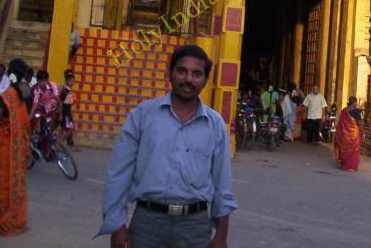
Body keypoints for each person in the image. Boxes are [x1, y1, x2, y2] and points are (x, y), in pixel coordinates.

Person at [98, 45, 237, 248]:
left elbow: (222, 185)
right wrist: (116, 226)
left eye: (197, 74)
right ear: (170, 73)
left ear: (205, 80)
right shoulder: (143, 115)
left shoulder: (215, 124)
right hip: (147, 223)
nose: (188, 79)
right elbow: (118, 174)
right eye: (182, 71)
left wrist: (221, 236)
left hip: (195, 227)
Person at [0, 59, 32, 236]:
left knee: (1, 179)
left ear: (9, 73)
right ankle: (15, 220)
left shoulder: (7, 95)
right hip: (20, 145)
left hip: (6, 145)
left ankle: (0, 222)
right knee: (16, 180)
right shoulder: (27, 92)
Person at [31, 70, 60, 158]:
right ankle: (34, 137)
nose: (43, 83)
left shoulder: (52, 85)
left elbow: (56, 96)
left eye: (45, 80)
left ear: (47, 80)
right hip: (39, 110)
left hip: (50, 110)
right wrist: (31, 115)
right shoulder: (35, 89)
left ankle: (46, 151)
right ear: (37, 80)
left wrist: (47, 97)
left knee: (48, 131)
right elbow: (35, 103)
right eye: (41, 81)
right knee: (35, 125)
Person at [334, 96, 363, 172]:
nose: (356, 104)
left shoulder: (344, 111)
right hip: (354, 135)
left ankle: (345, 165)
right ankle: (351, 166)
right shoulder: (357, 111)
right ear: (354, 103)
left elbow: (340, 123)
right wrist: (362, 131)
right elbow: (360, 123)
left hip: (345, 135)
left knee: (345, 149)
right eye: (356, 102)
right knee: (354, 150)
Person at [59, 69, 78, 151]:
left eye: (74, 81)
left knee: (62, 128)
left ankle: (57, 144)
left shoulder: (69, 90)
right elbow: (61, 102)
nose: (73, 83)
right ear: (67, 81)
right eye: (71, 81)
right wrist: (61, 114)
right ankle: (60, 142)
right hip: (65, 112)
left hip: (67, 111)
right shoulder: (65, 90)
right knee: (71, 128)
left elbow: (68, 102)